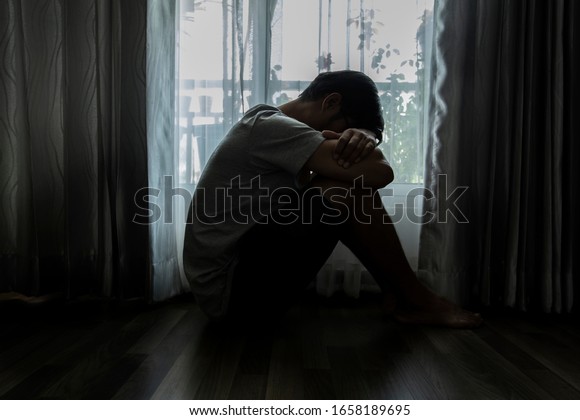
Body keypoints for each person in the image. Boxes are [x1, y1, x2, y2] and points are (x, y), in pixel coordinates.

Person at [183, 70, 482, 328]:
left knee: (339, 183)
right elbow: (380, 174)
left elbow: (373, 173)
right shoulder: (270, 127)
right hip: (230, 296)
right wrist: (363, 141)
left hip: (231, 291)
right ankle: (415, 299)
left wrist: (365, 134)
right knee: (347, 188)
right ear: (331, 102)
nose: (348, 144)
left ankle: (401, 295)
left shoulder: (267, 126)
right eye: (348, 133)